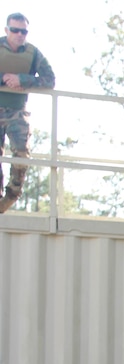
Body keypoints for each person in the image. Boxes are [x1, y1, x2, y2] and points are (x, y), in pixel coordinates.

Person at [0, 12, 54, 213]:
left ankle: (12, 194)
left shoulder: (33, 53)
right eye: (15, 30)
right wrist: (4, 78)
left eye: (23, 31)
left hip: (17, 112)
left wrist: (22, 79)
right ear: (7, 30)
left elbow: (49, 79)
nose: (19, 35)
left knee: (21, 153)